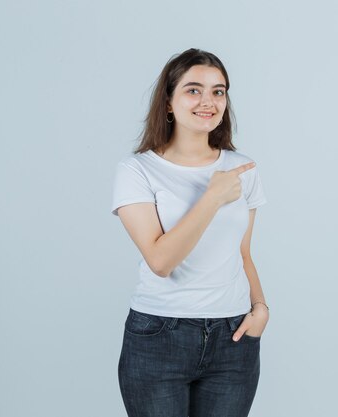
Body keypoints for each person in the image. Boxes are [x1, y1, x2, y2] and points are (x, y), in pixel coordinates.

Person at [110, 48, 269, 417]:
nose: (208, 101)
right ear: (168, 102)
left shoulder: (241, 169)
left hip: (234, 338)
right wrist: (211, 197)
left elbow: (243, 254)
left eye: (218, 91)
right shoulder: (137, 170)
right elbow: (161, 261)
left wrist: (260, 309)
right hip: (160, 337)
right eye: (193, 90)